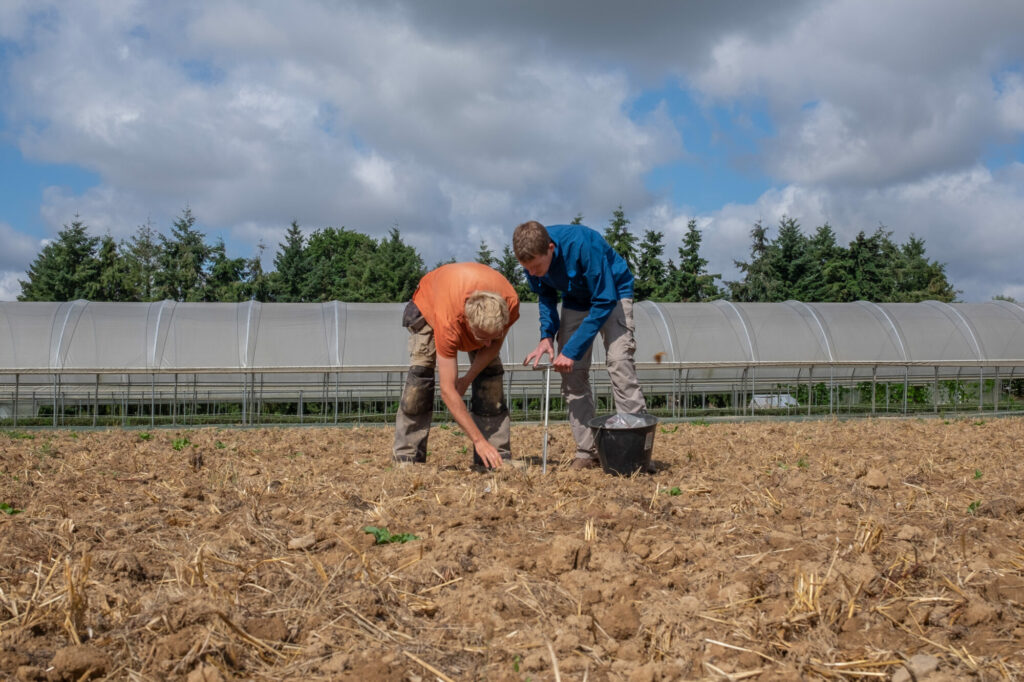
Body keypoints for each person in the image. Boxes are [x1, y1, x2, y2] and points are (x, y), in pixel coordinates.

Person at [513, 220, 647, 469]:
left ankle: (634, 453)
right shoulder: (532, 258)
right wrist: (546, 336)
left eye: (535, 267)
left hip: (612, 294)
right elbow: (546, 296)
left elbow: (604, 300)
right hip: (575, 300)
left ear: (551, 248)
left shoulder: (584, 244)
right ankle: (588, 451)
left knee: (619, 362)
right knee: (570, 373)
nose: (531, 273)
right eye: (526, 269)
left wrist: (571, 350)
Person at [393, 262, 520, 469]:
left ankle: (496, 457)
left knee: (491, 378)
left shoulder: (510, 303)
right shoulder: (449, 321)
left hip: (461, 294)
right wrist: (478, 441)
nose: (487, 344)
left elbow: (491, 348)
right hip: (429, 305)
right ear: (467, 325)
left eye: (493, 337)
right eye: (482, 338)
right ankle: (408, 457)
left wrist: (467, 379)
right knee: (420, 379)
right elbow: (447, 390)